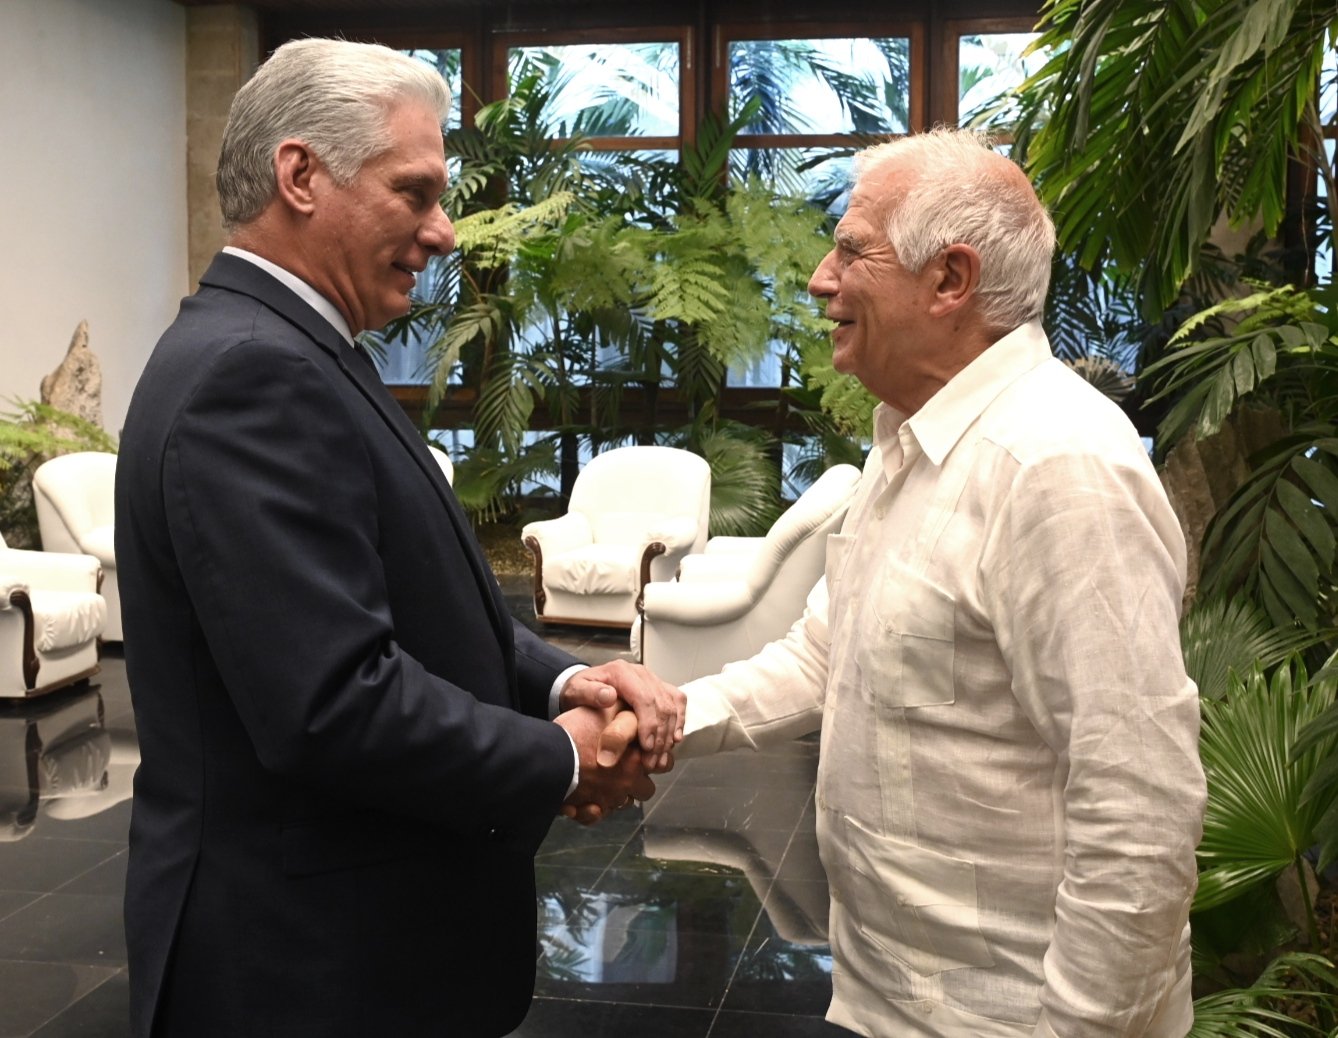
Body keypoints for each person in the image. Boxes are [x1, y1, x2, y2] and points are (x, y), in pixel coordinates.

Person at [115, 38, 682, 1038]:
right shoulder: (251, 377)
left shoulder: (292, 349)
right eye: (414, 193)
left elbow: (415, 608)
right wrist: (560, 757)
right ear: (300, 176)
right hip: (307, 969)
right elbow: (332, 700)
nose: (445, 231)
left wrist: (567, 682)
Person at [670, 129, 1206, 1036]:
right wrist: (668, 719)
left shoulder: (1056, 466)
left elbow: (1137, 813)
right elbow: (825, 653)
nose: (818, 277)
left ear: (949, 281)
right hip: (885, 998)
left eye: (850, 248)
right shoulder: (908, 435)